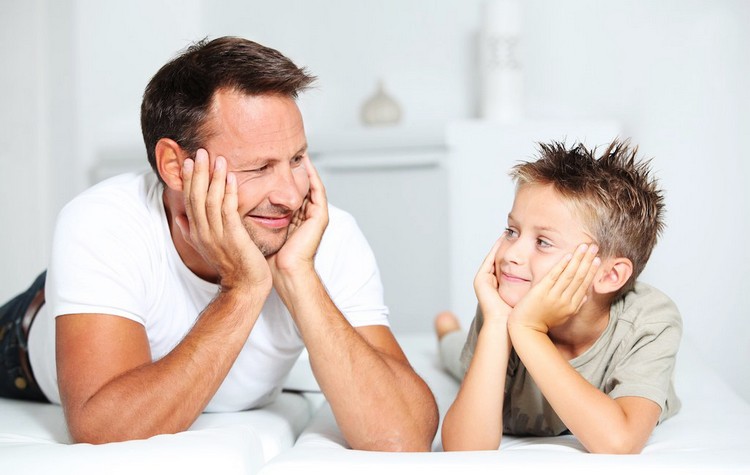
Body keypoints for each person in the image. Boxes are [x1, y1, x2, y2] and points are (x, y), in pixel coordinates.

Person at [0, 36, 438, 450]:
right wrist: (242, 289)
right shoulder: (103, 222)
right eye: (258, 168)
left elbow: (404, 437)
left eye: (297, 159)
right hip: (20, 341)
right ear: (175, 166)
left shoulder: (324, 233)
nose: (290, 196)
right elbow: (105, 430)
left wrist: (298, 275)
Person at [438, 139, 681, 454]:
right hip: (492, 335)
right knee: (453, 354)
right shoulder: (501, 304)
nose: (511, 254)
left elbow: (619, 442)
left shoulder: (650, 319)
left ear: (609, 275)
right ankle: (446, 331)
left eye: (543, 242)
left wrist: (528, 330)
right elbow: (465, 451)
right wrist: (498, 322)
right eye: (512, 231)